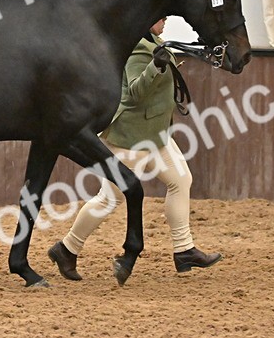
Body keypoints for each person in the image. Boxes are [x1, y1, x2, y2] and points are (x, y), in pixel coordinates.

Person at [48, 18, 221, 279]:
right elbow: (135, 93)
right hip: (131, 137)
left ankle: (184, 250)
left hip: (156, 133)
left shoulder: (154, 41)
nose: (166, 20)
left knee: (180, 180)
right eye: (162, 17)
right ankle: (67, 249)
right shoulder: (138, 47)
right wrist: (156, 66)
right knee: (109, 199)